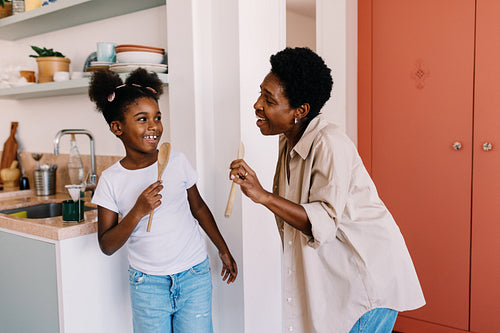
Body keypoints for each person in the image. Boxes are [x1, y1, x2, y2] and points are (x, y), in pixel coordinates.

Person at [229, 47, 425, 333]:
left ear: (300, 111)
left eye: (269, 100)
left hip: (367, 281)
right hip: (341, 278)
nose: (257, 104)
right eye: (261, 94)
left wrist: (263, 196)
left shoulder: (330, 143)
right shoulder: (289, 141)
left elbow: (323, 221)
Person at [89, 68, 237, 333]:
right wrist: (138, 211)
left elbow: (199, 208)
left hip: (194, 275)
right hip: (147, 285)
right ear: (117, 127)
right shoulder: (111, 179)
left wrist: (222, 248)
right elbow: (107, 245)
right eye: (142, 119)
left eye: (157, 117)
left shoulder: (177, 161)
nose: (154, 126)